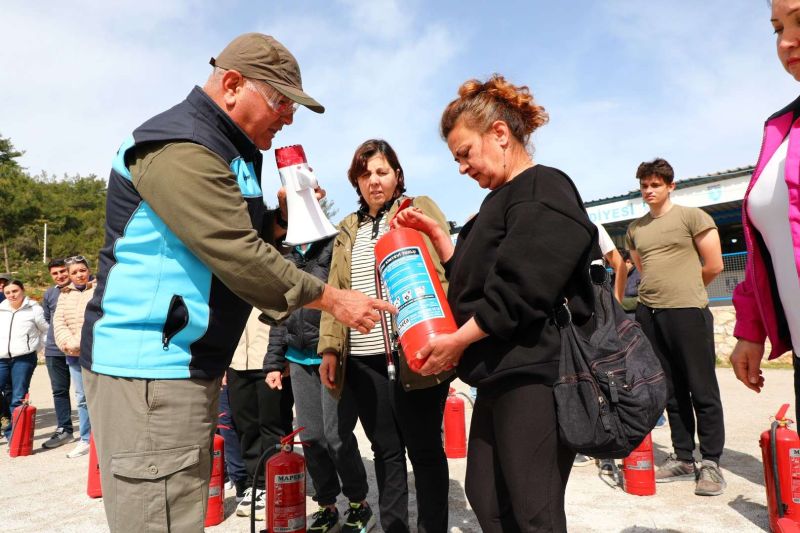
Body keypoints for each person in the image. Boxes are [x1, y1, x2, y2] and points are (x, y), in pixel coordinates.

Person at [80, 33, 394, 532]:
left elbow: (238, 235)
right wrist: (333, 300)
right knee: (162, 518)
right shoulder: (182, 145)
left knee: (180, 506)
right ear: (231, 85)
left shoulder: (230, 150)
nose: (288, 118)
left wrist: (282, 218)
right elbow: (235, 253)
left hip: (181, 367)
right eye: (282, 103)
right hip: (150, 369)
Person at [394, 75, 596, 532]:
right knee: (486, 497)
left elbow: (522, 288)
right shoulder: (495, 203)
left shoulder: (544, 187)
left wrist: (455, 343)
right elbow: (475, 280)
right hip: (497, 373)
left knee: (533, 511)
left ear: (500, 133)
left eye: (465, 153)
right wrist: (441, 239)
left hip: (536, 373)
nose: (462, 167)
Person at [318, 139, 453, 533]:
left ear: (397, 175)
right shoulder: (347, 229)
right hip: (362, 359)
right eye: (365, 174)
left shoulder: (418, 210)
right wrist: (329, 347)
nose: (374, 181)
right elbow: (335, 289)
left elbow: (443, 271)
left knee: (425, 449)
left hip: (415, 352)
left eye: (381, 172)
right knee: (386, 452)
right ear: (356, 181)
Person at [626, 158, 726, 496]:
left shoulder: (692, 217)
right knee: (669, 389)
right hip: (649, 314)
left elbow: (714, 264)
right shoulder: (635, 229)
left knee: (702, 387)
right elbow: (643, 269)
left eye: (656, 184)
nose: (649, 191)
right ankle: (684, 456)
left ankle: (710, 462)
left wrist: (687, 289)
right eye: (644, 185)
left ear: (671, 186)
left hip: (687, 310)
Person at [266, 234, 373, 533]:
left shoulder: (334, 245)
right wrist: (275, 362)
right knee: (311, 437)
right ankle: (327, 506)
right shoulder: (286, 256)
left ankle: (358, 504)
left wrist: (335, 349)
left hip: (332, 356)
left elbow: (343, 298)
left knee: (336, 436)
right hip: (299, 359)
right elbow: (280, 314)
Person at [730, 0, 800, 422]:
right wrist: (751, 328)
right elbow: (769, 247)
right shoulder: (780, 127)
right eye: (777, 28)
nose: (787, 41)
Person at [228, 308, 294, 521]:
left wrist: (286, 356)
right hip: (237, 361)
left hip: (270, 359)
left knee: (273, 424)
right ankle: (254, 484)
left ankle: (276, 484)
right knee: (245, 425)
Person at [53, 255, 95, 458]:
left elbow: (97, 319)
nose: (79, 275)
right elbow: (58, 323)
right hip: (73, 355)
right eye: (74, 272)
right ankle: (86, 439)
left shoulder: (98, 290)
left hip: (96, 353)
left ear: (88, 270)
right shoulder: (64, 294)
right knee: (82, 399)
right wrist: (67, 343)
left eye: (82, 270)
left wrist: (79, 341)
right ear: (68, 276)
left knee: (103, 397)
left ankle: (105, 438)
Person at [0, 280, 47, 441]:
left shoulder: (34, 308)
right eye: (8, 292)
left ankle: (14, 435)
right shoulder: (1, 309)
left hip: (24, 358)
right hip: (2, 359)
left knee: (18, 396)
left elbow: (45, 331)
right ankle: (6, 421)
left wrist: (38, 349)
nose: (12, 295)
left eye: (15, 291)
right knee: (7, 395)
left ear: (22, 290)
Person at [41, 258, 75, 450]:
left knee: (85, 392)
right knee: (60, 390)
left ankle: (94, 430)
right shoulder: (49, 293)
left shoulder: (82, 288)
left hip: (79, 349)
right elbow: (48, 318)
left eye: (63, 271)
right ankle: (65, 429)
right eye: (55, 273)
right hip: (54, 350)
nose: (60, 276)